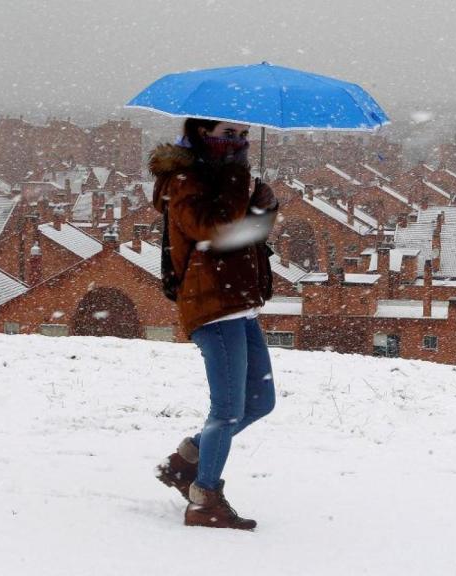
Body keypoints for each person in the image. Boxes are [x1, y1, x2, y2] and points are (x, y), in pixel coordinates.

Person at [150, 118, 279, 530]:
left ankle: (186, 461)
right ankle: (204, 500)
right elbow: (213, 229)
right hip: (211, 303)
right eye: (229, 134)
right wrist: (239, 182)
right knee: (226, 409)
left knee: (260, 402)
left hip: (239, 302)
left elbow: (244, 236)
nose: (238, 142)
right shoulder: (186, 181)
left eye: (243, 136)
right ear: (203, 134)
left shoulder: (224, 178)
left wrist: (263, 207)